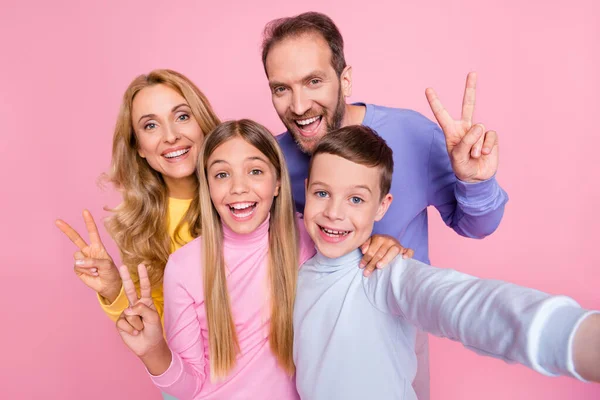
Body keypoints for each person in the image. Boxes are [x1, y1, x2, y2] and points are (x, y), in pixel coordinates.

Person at [261, 11, 509, 397]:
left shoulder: (412, 134)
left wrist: (474, 180)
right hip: (313, 330)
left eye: (313, 81)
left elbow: (477, 225)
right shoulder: (273, 160)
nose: (298, 105)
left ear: (344, 79)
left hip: (400, 326)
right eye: (281, 89)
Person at [293, 125, 600, 400]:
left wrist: (571, 335)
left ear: (381, 207)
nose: (334, 212)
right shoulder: (297, 270)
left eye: (356, 199)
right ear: (306, 190)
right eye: (322, 193)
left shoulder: (383, 272)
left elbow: (461, 303)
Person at [114, 119, 403, 399]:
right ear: (208, 187)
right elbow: (189, 387)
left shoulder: (311, 237)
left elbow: (350, 236)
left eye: (254, 171)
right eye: (222, 174)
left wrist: (381, 243)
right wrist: (153, 351)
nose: (238, 187)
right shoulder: (183, 267)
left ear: (277, 183)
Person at [55, 69, 221, 400]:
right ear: (140, 149)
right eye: (150, 125)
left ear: (203, 123)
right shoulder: (140, 225)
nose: (171, 136)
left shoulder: (244, 198)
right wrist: (115, 290)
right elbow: (158, 330)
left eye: (182, 116)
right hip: (190, 384)